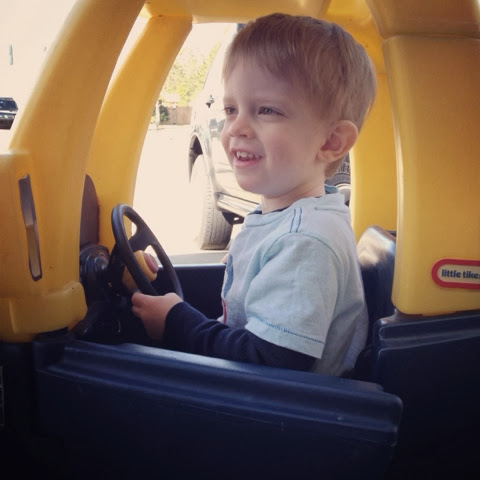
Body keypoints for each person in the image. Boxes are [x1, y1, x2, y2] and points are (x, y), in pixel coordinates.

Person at [132, 12, 376, 375]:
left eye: (266, 110)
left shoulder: (305, 241)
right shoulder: (286, 220)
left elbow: (272, 362)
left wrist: (176, 321)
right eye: (231, 109)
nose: (236, 127)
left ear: (330, 141)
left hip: (276, 407)